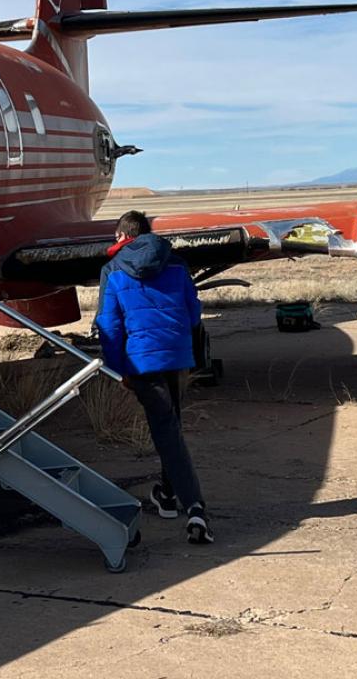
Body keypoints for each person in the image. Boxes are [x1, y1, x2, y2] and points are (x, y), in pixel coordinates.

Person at [95, 210, 212, 544]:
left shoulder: (113, 269)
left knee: (167, 432)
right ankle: (167, 496)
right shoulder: (176, 263)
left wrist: (118, 370)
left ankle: (196, 509)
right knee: (171, 425)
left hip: (141, 360)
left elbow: (109, 326)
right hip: (176, 355)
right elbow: (193, 312)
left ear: (122, 236)